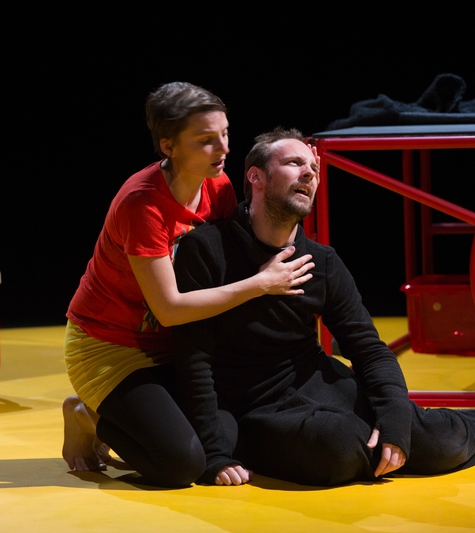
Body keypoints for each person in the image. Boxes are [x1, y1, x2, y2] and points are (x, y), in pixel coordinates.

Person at [172, 127, 475, 487]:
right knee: (340, 447)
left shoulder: (322, 261)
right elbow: (193, 357)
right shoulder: (207, 249)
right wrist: (216, 451)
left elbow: (368, 348)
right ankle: (383, 434)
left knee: (434, 445)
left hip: (315, 381)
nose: (309, 173)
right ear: (256, 176)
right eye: (294, 164)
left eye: (314, 168)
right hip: (249, 403)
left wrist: (397, 421)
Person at [62, 84, 315, 488]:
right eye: (205, 140)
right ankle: (90, 415)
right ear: (168, 145)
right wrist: (261, 283)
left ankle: (131, 413)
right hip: (111, 345)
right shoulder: (141, 204)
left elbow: (230, 262)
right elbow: (169, 308)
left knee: (233, 433)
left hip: (177, 342)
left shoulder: (219, 188)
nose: (223, 148)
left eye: (225, 134)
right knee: (179, 466)